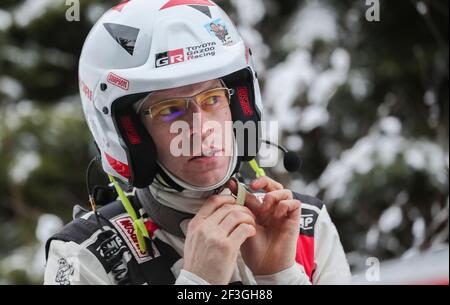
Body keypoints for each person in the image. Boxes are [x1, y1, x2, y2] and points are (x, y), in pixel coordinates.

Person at [44, 0, 351, 285]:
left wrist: (278, 275)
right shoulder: (85, 256)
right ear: (127, 133)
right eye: (169, 110)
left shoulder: (305, 225)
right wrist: (198, 284)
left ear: (239, 110)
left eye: (213, 98)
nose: (200, 128)